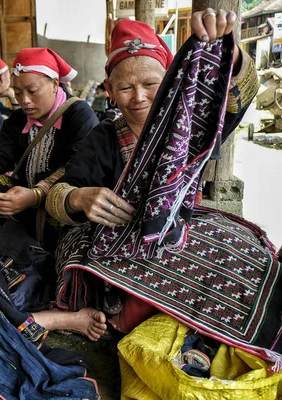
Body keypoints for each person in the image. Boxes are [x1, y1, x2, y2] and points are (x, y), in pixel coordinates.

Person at [46, 10, 262, 340]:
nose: (139, 97)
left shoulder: (189, 123)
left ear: (172, 81)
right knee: (84, 257)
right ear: (110, 90)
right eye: (126, 87)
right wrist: (79, 197)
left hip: (181, 234)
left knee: (249, 257)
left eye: (151, 84)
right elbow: (59, 194)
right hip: (124, 243)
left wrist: (227, 50)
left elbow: (234, 98)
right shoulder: (104, 137)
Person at [0, 48, 99, 249]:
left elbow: (75, 168)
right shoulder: (19, 119)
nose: (25, 101)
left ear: (55, 84)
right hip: (25, 207)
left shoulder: (80, 116)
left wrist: (36, 195)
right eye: (18, 92)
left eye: (32, 91)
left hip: (64, 213)